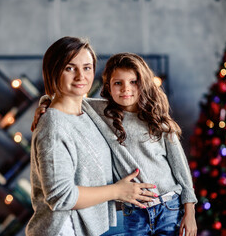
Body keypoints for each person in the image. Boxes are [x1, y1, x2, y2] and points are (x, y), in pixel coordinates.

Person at [33, 52, 198, 236]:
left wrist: (189, 212)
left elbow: (181, 170)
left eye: (133, 82)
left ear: (143, 83)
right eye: (118, 83)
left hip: (169, 207)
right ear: (109, 87)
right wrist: (46, 103)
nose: (125, 89)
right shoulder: (103, 113)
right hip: (134, 212)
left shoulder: (159, 122)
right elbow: (70, 99)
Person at [26, 37, 156, 236]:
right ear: (53, 72)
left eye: (87, 68)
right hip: (64, 229)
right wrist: (118, 191)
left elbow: (133, 102)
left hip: (91, 228)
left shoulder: (88, 111)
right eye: (70, 68)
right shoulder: (54, 127)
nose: (81, 76)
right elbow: (61, 197)